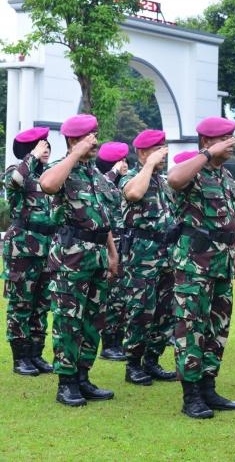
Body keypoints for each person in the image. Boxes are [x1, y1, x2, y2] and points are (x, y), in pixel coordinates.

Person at [167, 116, 235, 419]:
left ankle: (208, 387)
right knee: (191, 327)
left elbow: (231, 220)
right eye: (224, 139)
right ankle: (191, 396)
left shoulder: (225, 176)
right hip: (194, 264)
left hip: (222, 263)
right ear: (206, 141)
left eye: (231, 137)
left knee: (218, 327)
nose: (231, 143)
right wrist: (206, 154)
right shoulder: (192, 170)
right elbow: (174, 179)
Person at [40, 114, 118, 406]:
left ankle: (83, 376)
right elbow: (48, 184)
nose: (95, 141)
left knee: (93, 321)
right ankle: (67, 383)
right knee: (68, 320)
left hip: (97, 255)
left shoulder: (95, 175)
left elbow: (102, 219)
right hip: (70, 258)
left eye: (96, 134)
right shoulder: (62, 168)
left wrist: (113, 253)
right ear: (73, 139)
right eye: (89, 136)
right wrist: (74, 154)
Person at [119, 129, 177, 386]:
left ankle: (152, 360)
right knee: (141, 310)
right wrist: (149, 164)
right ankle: (133, 363)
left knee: (166, 311)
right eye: (157, 150)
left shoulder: (162, 182)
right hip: (141, 255)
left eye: (163, 149)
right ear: (142, 152)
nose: (163, 154)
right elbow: (133, 194)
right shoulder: (131, 177)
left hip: (167, 254)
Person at [4, 127, 57, 376]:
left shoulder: (49, 176)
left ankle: (36, 354)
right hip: (22, 249)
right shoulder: (16, 171)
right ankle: (20, 358)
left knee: (42, 304)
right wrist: (32, 157)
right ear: (29, 149)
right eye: (40, 146)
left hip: (47, 248)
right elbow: (15, 182)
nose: (46, 149)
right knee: (21, 303)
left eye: (47, 145)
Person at [95, 142, 130, 361]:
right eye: (120, 161)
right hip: (109, 245)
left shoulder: (125, 182)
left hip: (125, 244)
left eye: (125, 161)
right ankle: (108, 344)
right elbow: (100, 189)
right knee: (112, 297)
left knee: (122, 297)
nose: (125, 165)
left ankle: (118, 341)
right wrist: (114, 172)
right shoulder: (101, 180)